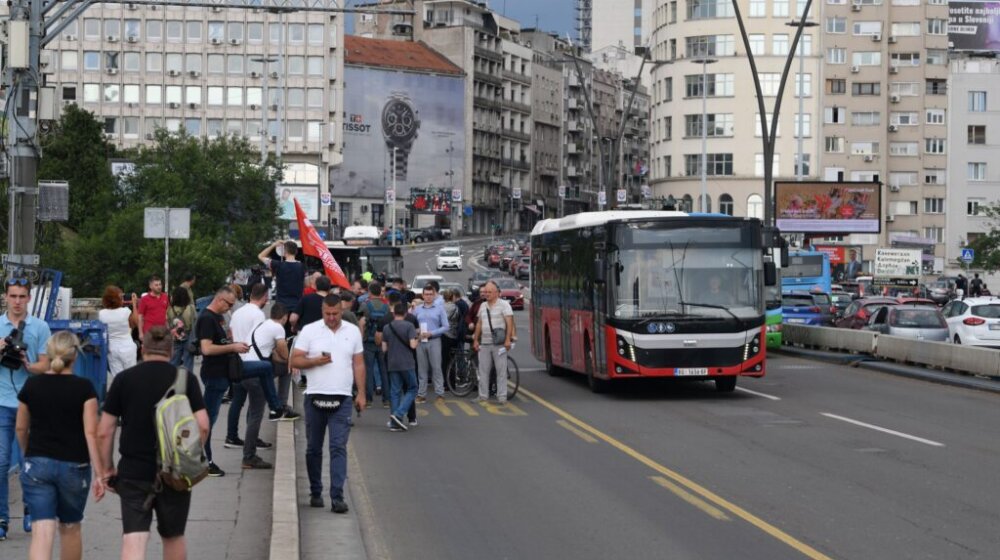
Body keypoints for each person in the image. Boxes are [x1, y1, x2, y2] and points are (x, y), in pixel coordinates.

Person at [97, 327, 209, 560]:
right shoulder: (185, 379)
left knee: (134, 537)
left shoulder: (123, 379)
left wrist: (106, 468)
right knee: (173, 536)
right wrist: (189, 457)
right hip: (175, 471)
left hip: (133, 472)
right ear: (170, 350)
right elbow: (203, 425)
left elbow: (105, 431)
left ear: (143, 348)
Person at [15, 331, 102, 560]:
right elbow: (91, 433)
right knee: (70, 527)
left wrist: (27, 454)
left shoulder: (32, 386)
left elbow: (21, 429)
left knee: (42, 531)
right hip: (75, 465)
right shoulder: (85, 388)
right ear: (75, 355)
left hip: (37, 464)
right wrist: (101, 473)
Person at [290, 294, 366, 514]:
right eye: (327, 314)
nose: (331, 318)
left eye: (335, 314)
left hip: (342, 398)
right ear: (322, 311)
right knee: (313, 448)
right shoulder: (310, 331)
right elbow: (294, 360)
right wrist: (314, 361)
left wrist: (361, 393)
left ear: (341, 311)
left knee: (337, 447)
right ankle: (315, 491)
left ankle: (337, 497)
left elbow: (358, 364)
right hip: (315, 396)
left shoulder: (352, 331)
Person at [0, 278, 52, 541]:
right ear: (5, 297)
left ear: (29, 299)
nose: (17, 301)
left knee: (28, 463)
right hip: (1, 402)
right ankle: (1, 518)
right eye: (13, 296)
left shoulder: (40, 327)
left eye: (22, 296)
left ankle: (31, 509)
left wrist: (28, 364)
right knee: (0, 462)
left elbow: (47, 365)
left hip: (29, 403)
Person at [194, 286, 248, 477]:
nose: (230, 308)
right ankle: (204, 461)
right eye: (229, 304)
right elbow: (207, 349)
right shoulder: (207, 318)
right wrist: (232, 347)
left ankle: (202, 459)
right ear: (220, 300)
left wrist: (231, 342)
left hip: (221, 374)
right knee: (206, 422)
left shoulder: (216, 317)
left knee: (208, 420)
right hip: (214, 374)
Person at [472, 280, 514, 404]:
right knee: (483, 370)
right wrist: (475, 340)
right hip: (484, 343)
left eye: (489, 292)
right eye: (485, 292)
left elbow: (509, 322)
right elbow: (479, 323)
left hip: (499, 343)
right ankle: (482, 396)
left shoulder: (504, 305)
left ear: (496, 293)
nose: (487, 294)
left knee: (501, 371)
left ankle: (502, 397)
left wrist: (508, 339)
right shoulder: (483, 306)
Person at [381, 303, 419, 431]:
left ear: (393, 313)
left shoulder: (387, 327)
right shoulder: (409, 326)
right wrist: (418, 339)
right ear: (406, 313)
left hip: (392, 363)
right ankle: (399, 413)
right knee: (413, 388)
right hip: (407, 363)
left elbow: (384, 348)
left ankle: (394, 423)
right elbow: (413, 345)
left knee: (395, 391)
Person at [412, 281, 450, 403]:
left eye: (430, 294)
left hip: (434, 340)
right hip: (421, 341)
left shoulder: (440, 309)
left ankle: (440, 394)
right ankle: (421, 394)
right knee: (422, 369)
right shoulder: (417, 309)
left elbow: (446, 326)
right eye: (426, 294)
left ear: (434, 295)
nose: (428, 296)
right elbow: (411, 324)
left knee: (436, 368)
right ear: (422, 295)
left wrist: (432, 333)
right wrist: (416, 332)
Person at [358, 282, 390, 407]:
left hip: (368, 342)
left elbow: (360, 322)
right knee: (384, 370)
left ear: (370, 292)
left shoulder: (365, 305)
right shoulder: (386, 306)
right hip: (382, 341)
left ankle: (369, 399)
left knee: (369, 370)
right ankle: (386, 399)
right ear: (380, 292)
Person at [99, 285, 138, 378]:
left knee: (118, 378)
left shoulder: (102, 313)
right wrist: (134, 304)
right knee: (131, 377)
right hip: (127, 347)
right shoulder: (125, 311)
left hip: (112, 348)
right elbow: (135, 323)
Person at [259, 240, 305, 317]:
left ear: (284, 251)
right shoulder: (302, 267)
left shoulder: (278, 265)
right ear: (296, 252)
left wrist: (273, 245)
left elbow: (261, 256)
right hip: (297, 307)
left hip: (281, 306)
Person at [167, 286, 196, 372]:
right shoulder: (190, 308)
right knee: (188, 363)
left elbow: (169, 323)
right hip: (189, 337)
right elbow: (194, 322)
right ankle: (187, 382)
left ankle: (171, 380)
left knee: (173, 361)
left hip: (175, 337)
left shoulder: (170, 309)